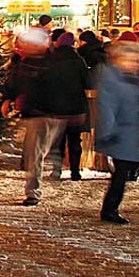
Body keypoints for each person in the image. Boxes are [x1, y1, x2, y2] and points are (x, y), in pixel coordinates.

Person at [4, 24, 89, 205]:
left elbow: (68, 85)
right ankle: (35, 189)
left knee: (39, 151)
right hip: (40, 113)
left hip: (49, 111)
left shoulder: (53, 61)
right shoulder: (29, 61)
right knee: (37, 152)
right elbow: (17, 81)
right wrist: (8, 97)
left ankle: (39, 184)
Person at [95, 35, 139, 224]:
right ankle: (109, 209)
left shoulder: (130, 76)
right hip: (119, 132)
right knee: (121, 172)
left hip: (127, 131)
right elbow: (107, 106)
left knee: (122, 172)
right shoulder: (113, 77)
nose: (135, 63)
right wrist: (107, 132)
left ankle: (110, 208)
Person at [49, 30, 86, 182]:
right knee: (75, 140)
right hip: (75, 107)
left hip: (56, 106)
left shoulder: (51, 60)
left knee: (58, 141)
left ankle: (56, 170)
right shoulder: (78, 61)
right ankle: (75, 171)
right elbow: (87, 81)